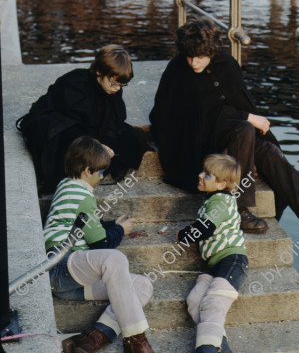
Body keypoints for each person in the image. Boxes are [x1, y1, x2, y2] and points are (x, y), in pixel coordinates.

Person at [149, 17, 299, 234]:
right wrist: (246, 117)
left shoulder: (225, 64)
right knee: (243, 128)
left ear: (212, 51)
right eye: (189, 57)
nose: (194, 63)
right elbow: (178, 117)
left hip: (224, 138)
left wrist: (246, 117)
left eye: (200, 57)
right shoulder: (177, 70)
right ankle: (238, 208)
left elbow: (234, 105)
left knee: (267, 150)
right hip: (190, 145)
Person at [45, 136, 156, 353]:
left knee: (142, 286)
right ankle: (136, 339)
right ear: (87, 171)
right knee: (115, 259)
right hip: (60, 267)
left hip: (73, 281)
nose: (102, 176)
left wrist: (112, 223)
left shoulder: (66, 185)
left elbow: (85, 224)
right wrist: (120, 231)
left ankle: (93, 338)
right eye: (100, 172)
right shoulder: (84, 197)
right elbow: (101, 244)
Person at [17, 44, 147, 194]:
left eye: (121, 85)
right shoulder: (75, 84)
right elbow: (65, 123)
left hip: (92, 131)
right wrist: (95, 146)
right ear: (99, 72)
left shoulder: (112, 91)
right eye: (113, 83)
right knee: (56, 137)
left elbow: (112, 123)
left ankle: (97, 161)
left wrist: (106, 145)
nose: (117, 89)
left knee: (131, 138)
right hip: (65, 129)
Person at [177, 154, 248, 353]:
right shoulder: (213, 199)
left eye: (207, 175)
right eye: (203, 171)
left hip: (232, 262)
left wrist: (184, 234)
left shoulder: (221, 202)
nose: (200, 175)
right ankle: (221, 348)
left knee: (213, 303)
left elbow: (206, 228)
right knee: (195, 301)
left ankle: (206, 350)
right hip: (215, 266)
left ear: (221, 184)